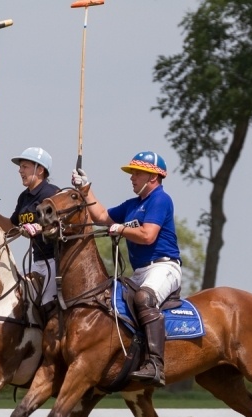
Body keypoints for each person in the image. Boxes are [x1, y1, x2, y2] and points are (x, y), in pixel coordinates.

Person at [71, 151, 181, 387]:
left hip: (164, 267)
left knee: (143, 299)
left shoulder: (161, 200)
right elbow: (101, 216)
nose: (132, 178)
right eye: (132, 173)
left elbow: (148, 235)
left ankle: (155, 366)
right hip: (140, 271)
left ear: (153, 177)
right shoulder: (132, 205)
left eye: (137, 173)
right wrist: (85, 189)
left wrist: (120, 230)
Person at [0, 147, 60, 310]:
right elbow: (11, 227)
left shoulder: (52, 194)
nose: (20, 171)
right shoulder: (24, 197)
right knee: (17, 298)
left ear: (40, 170)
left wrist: (39, 227)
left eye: (25, 166)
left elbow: (59, 224)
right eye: (20, 167)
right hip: (36, 260)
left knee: (47, 305)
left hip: (55, 259)